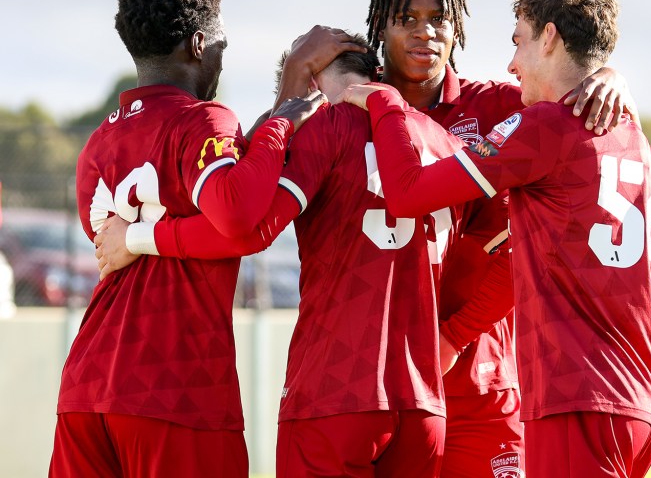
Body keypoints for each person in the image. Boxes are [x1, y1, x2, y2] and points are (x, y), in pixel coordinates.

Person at [340, 0, 651, 478]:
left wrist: (381, 102)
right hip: (641, 410)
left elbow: (407, 192)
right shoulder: (647, 153)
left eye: (518, 41)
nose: (512, 62)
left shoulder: (541, 125)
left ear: (549, 38)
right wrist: (648, 370)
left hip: (573, 402)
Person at [95, 36, 470, 478]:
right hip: (424, 404)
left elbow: (248, 228)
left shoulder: (326, 126)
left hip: (335, 392)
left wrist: (139, 236)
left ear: (310, 84)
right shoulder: (447, 142)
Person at [51, 0, 327, 478]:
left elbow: (114, 244)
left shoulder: (97, 144)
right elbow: (238, 217)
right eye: (221, 43)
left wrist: (139, 238)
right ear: (199, 44)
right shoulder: (202, 119)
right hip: (178, 386)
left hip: (87, 386)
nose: (224, 55)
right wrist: (280, 124)